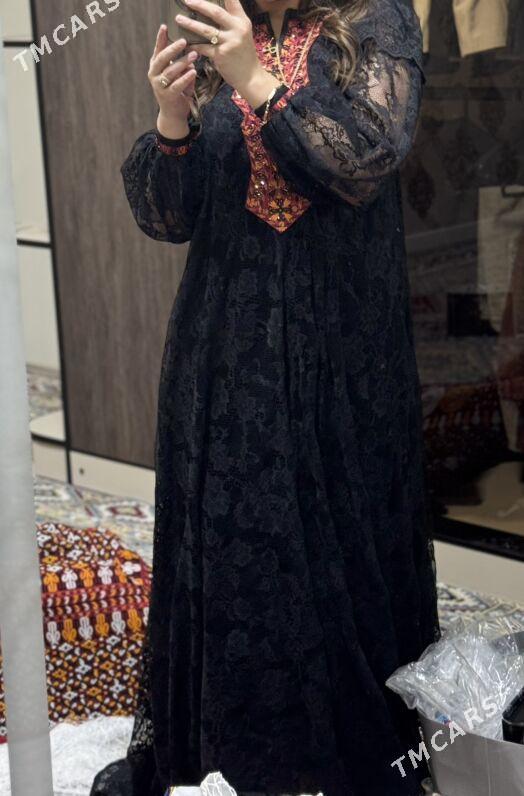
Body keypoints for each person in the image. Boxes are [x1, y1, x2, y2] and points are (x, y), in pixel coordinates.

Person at [91, 0, 440, 793]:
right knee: (233, 541)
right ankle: (233, 745)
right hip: (226, 347)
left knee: (335, 541)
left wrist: (255, 79)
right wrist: (172, 118)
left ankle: (349, 756)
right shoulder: (220, 32)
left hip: (340, 352)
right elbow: (169, 217)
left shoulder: (377, 20)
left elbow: (367, 157)